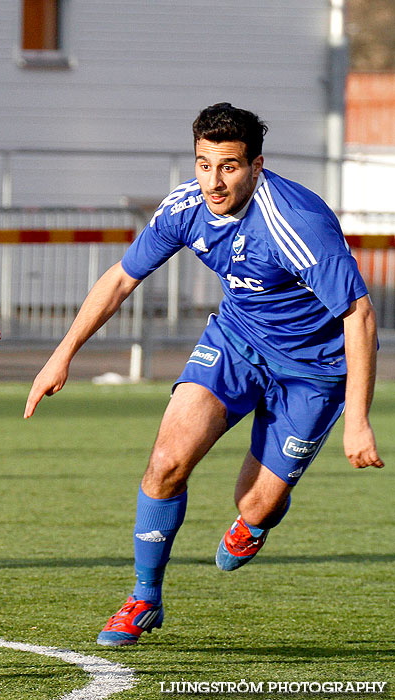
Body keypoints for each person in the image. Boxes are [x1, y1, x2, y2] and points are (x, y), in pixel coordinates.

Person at [25, 103, 384, 647]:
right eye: (203, 164)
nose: (214, 182)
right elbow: (122, 279)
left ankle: (256, 521)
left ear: (257, 164)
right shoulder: (186, 207)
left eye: (229, 167)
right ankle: (144, 599)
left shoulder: (296, 221)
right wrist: (62, 354)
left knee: (253, 502)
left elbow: (358, 314)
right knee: (166, 462)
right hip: (236, 344)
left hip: (313, 371)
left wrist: (357, 419)